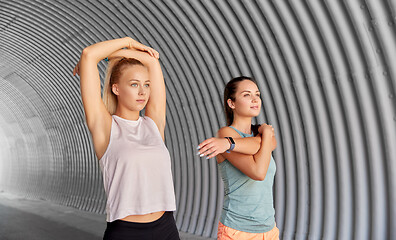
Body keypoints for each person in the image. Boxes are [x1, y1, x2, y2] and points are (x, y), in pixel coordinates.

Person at [73, 37, 179, 240]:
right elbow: (88, 55)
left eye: (146, 85)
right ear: (116, 89)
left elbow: (152, 62)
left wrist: (114, 56)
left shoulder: (153, 124)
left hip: (166, 227)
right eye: (134, 84)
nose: (143, 92)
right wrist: (128, 42)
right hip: (126, 232)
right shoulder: (105, 127)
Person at [198, 76, 279, 240]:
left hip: (269, 229)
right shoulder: (225, 134)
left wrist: (229, 144)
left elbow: (267, 143)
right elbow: (258, 172)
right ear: (231, 103)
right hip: (237, 230)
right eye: (247, 95)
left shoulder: (260, 136)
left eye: (257, 94)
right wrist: (266, 134)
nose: (255, 99)